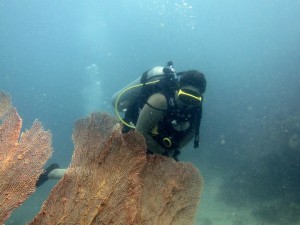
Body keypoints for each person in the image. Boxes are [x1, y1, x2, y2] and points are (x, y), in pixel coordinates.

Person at [36, 62, 207, 187]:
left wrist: (169, 152)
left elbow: (187, 138)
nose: (188, 104)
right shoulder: (160, 101)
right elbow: (138, 136)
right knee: (101, 177)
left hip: (155, 149)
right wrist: (162, 151)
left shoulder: (196, 111)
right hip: (129, 139)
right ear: (178, 89)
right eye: (185, 96)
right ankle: (53, 173)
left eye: (194, 99)